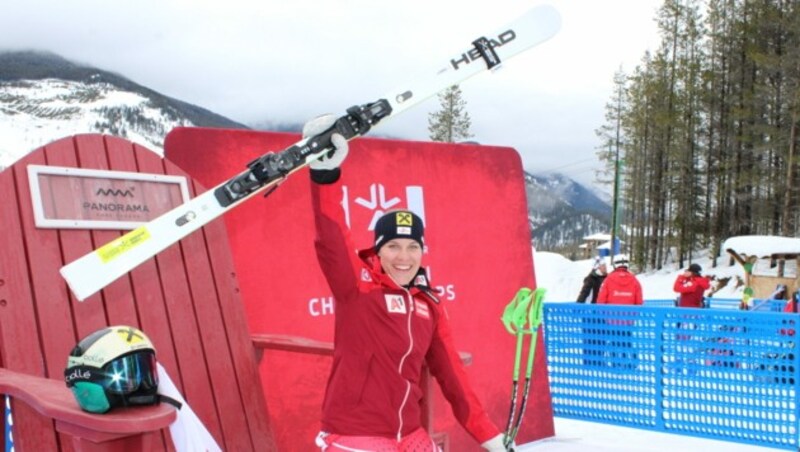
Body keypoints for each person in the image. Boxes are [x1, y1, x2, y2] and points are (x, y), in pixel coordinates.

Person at [305, 115, 509, 451]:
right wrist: (325, 178)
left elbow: (452, 374)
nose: (404, 256)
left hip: (408, 433)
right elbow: (330, 237)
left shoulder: (428, 304)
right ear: (379, 251)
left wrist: (488, 434)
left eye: (413, 246)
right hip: (357, 433)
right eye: (394, 246)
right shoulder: (357, 286)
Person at [596, 255, 642, 369]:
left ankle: (616, 363)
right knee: (627, 341)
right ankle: (628, 363)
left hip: (612, 319)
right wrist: (633, 316)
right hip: (628, 320)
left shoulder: (608, 280)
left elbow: (601, 300)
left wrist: (604, 316)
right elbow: (639, 301)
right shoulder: (634, 280)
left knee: (614, 342)